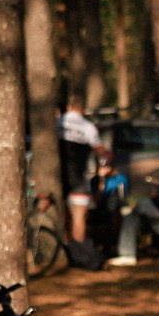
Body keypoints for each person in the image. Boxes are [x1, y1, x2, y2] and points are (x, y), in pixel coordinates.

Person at [58, 96, 104, 244]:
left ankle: (61, 247)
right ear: (83, 110)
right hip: (78, 178)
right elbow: (100, 152)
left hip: (58, 177)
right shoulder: (88, 127)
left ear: (69, 107)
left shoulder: (58, 122)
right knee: (79, 218)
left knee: (59, 215)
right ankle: (77, 249)